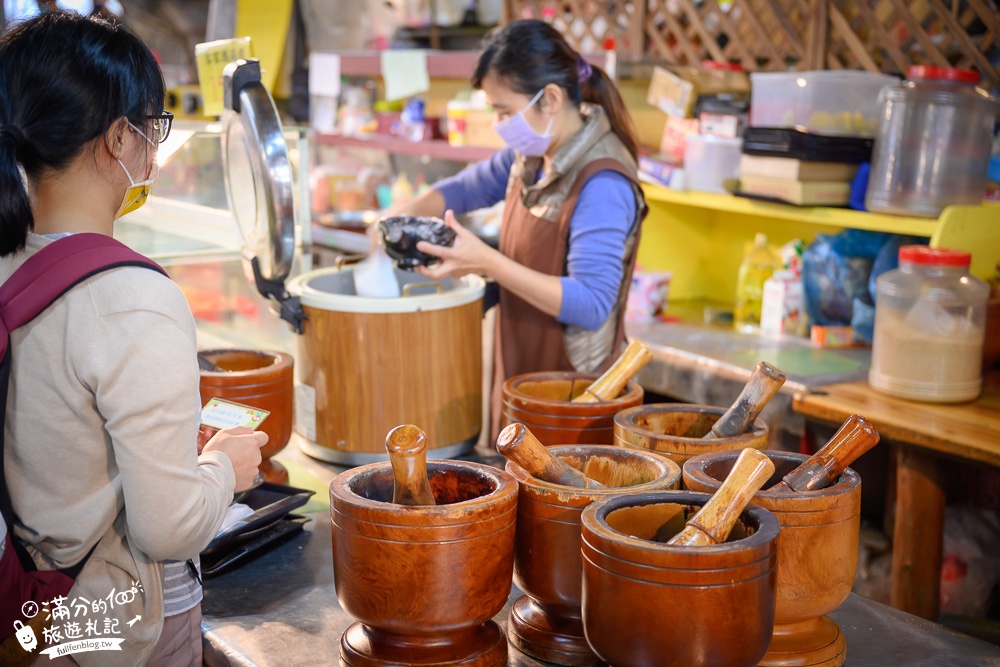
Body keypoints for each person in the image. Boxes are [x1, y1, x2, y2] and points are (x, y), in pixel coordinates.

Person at [0, 13, 266, 666]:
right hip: (122, 626)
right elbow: (168, 524)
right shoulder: (132, 296)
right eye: (152, 125)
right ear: (118, 137)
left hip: (37, 612)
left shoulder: (8, 259)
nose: (154, 144)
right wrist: (224, 468)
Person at [390, 19, 647, 439]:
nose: (500, 123)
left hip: (572, 400)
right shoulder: (531, 156)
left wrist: (487, 261)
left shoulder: (602, 181)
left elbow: (591, 302)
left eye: (505, 111)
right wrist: (402, 215)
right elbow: (464, 188)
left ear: (549, 98)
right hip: (521, 374)